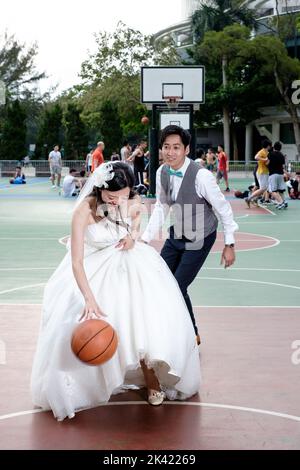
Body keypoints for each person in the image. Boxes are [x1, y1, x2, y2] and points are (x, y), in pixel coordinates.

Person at [31, 162, 201, 421]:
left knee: (141, 319)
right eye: (111, 197)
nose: (116, 202)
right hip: (93, 267)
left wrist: (133, 236)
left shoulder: (132, 200)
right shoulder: (83, 212)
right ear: (99, 189)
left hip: (131, 262)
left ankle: (151, 378)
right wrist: (89, 297)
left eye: (122, 196)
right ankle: (87, 381)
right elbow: (76, 261)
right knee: (79, 322)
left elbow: (136, 220)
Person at [141, 125, 238, 346]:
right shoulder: (161, 172)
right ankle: (171, 329)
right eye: (166, 147)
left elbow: (223, 209)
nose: (170, 152)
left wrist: (229, 244)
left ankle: (190, 334)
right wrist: (145, 239)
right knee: (160, 281)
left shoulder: (201, 176)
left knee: (176, 286)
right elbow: (161, 206)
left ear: (186, 150)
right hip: (178, 234)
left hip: (201, 237)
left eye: (176, 147)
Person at [245, 139, 271, 208]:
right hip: (261, 172)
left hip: (265, 172)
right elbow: (256, 157)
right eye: (270, 145)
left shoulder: (267, 152)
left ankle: (254, 199)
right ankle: (249, 198)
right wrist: (265, 159)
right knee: (262, 188)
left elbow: (267, 163)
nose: (270, 147)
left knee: (264, 188)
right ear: (268, 146)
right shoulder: (262, 151)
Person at [267, 141, 288, 209]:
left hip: (273, 174)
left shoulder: (270, 154)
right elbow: (283, 166)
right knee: (281, 190)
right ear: (280, 148)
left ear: (274, 147)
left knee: (273, 191)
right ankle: (283, 201)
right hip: (281, 174)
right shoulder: (282, 155)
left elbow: (267, 163)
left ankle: (281, 202)